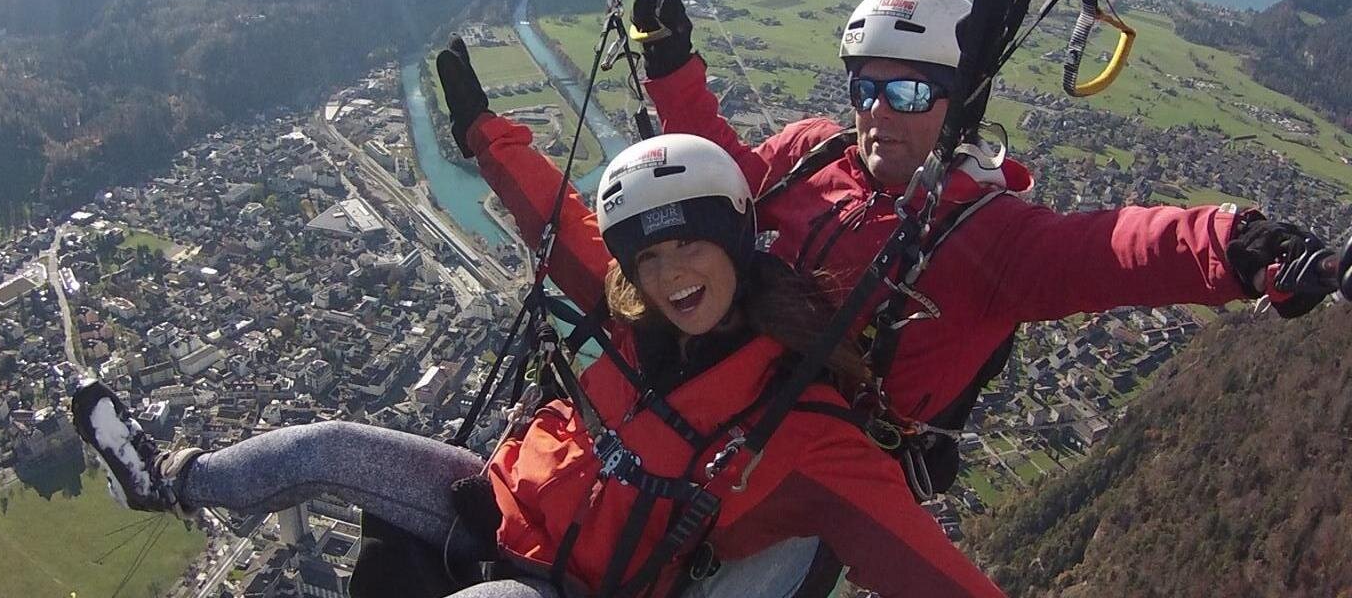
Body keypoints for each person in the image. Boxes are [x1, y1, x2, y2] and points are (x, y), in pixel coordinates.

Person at [68, 41, 1007, 598]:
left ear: (737, 242)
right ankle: (168, 481)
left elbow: (924, 564)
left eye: (692, 247)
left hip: (564, 585)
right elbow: (560, 218)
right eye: (651, 258)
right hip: (495, 500)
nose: (673, 275)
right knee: (326, 448)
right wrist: (486, 133)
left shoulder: (795, 420)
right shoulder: (635, 307)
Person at [627, 0, 1345, 485]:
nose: (879, 113)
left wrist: (1242, 247)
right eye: (866, 90)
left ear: (959, 104)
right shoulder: (812, 150)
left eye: (908, 93)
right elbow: (726, 183)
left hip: (823, 456)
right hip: (726, 389)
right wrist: (673, 71)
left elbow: (1108, 251)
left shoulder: (984, 237)